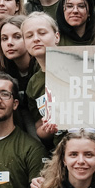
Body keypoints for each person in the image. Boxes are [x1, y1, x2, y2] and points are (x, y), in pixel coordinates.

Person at [22, 12, 61, 144]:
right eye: (29, 36)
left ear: (57, 37)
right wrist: (47, 129)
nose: (36, 39)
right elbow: (39, 127)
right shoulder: (33, 84)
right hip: (61, 150)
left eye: (42, 33)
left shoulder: (79, 66)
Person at [0, 15, 35, 95]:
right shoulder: (3, 75)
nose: (9, 43)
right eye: (4, 38)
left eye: (17, 37)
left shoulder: (42, 70)